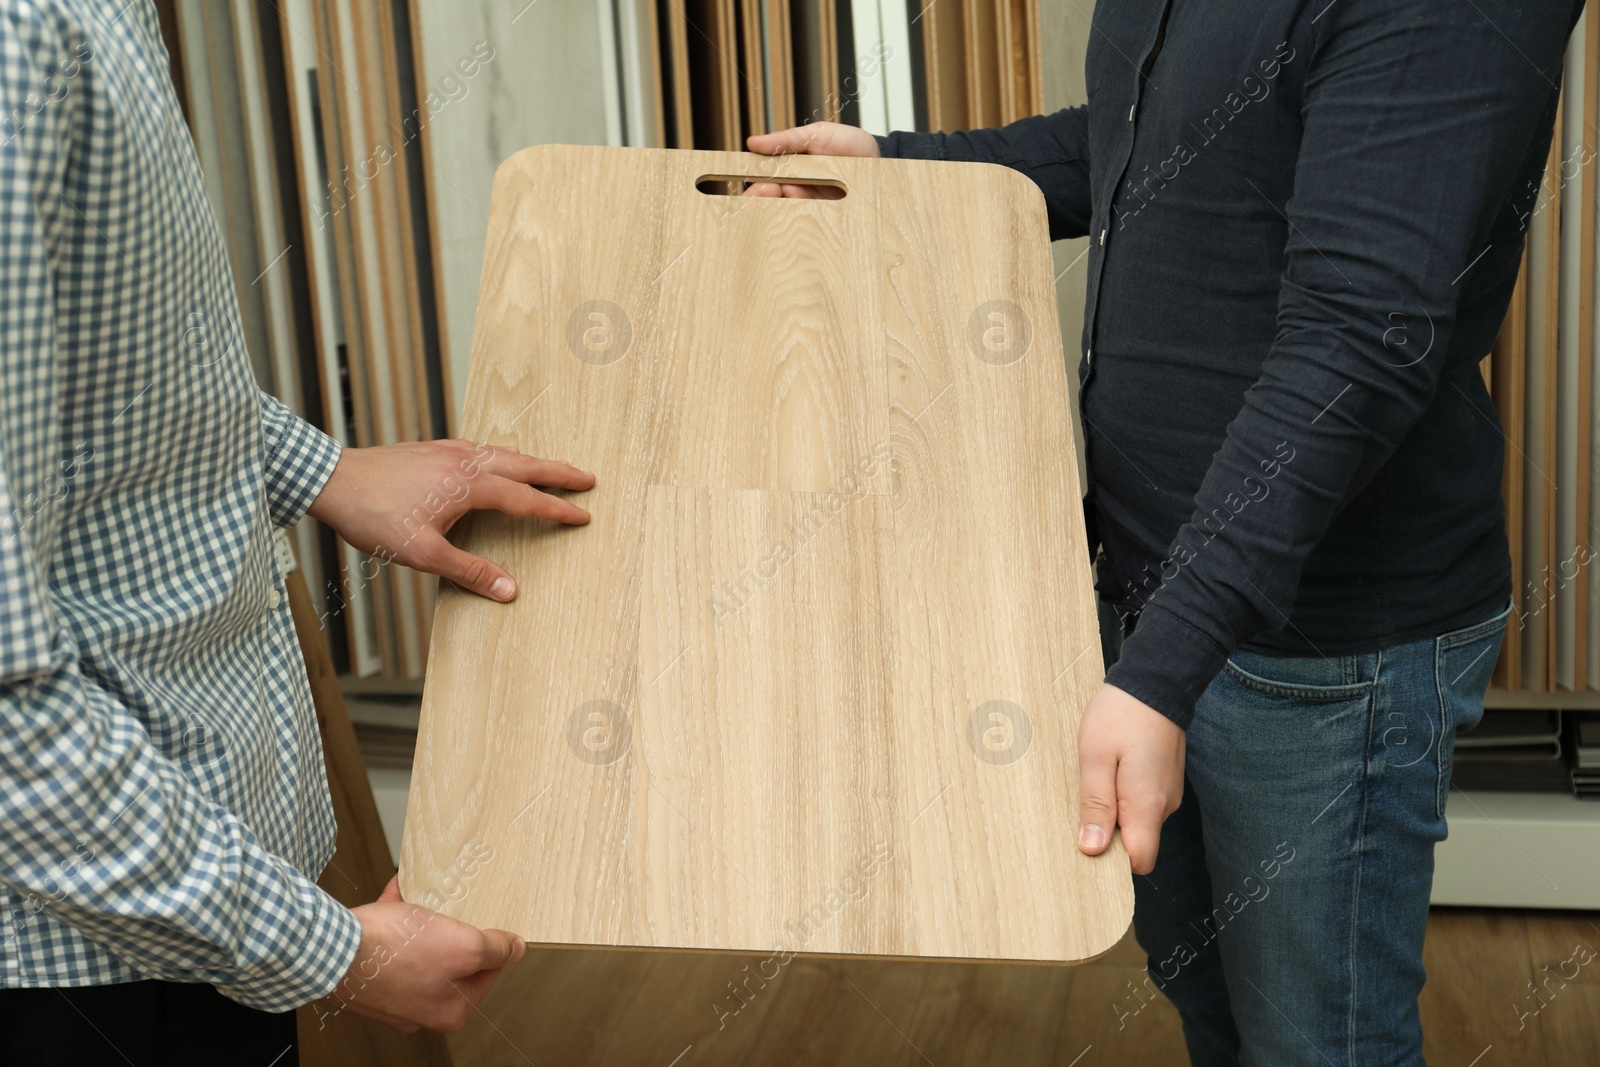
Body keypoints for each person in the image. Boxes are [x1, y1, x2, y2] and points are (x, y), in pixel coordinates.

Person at [748, 1, 1581, 1063]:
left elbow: (1360, 343)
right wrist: (894, 163)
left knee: (1318, 1046)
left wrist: (1162, 669)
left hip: (1313, 648)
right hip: (1151, 597)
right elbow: (1146, 137)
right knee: (1216, 1012)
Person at [0, 3, 593, 1062]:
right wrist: (327, 949)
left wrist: (312, 465)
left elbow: (100, 366)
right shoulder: (20, 42)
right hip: (83, 955)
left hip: (179, 907)